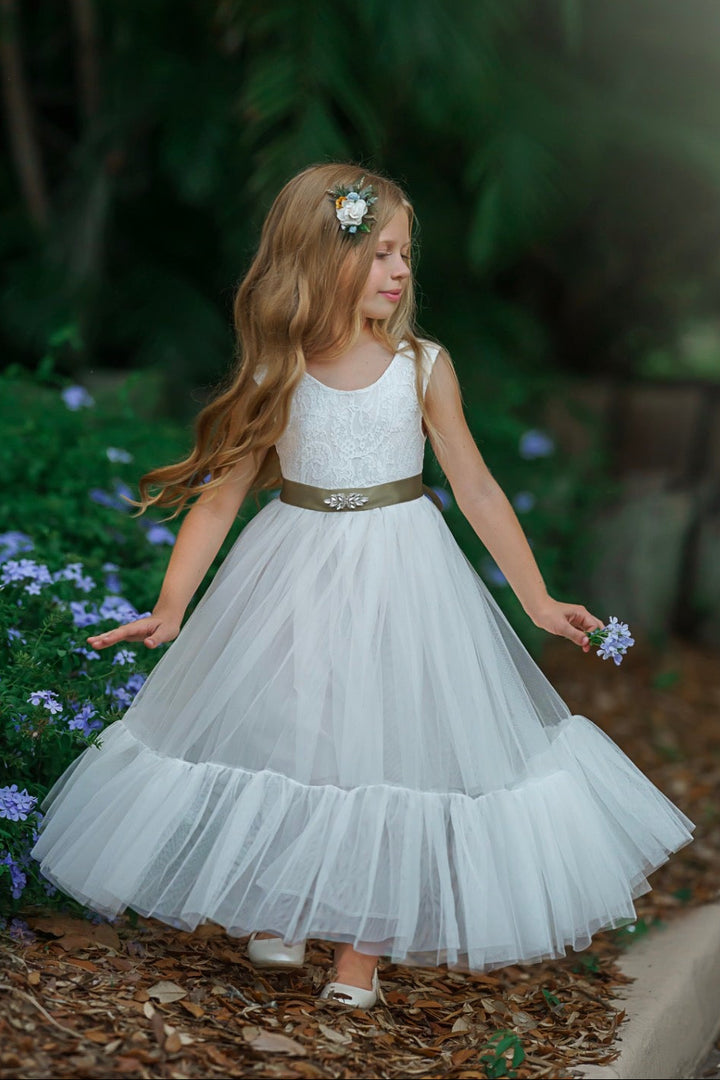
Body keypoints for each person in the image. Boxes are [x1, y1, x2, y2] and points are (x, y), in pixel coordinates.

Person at [32, 163, 694, 1010]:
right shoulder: (280, 370)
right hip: (292, 566)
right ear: (321, 256)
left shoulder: (422, 367)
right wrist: (171, 606)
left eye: (405, 254)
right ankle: (282, 898)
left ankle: (359, 956)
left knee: (389, 747)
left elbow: (479, 489)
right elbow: (223, 497)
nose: (400, 270)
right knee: (290, 730)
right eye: (380, 252)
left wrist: (533, 598)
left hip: (401, 570)